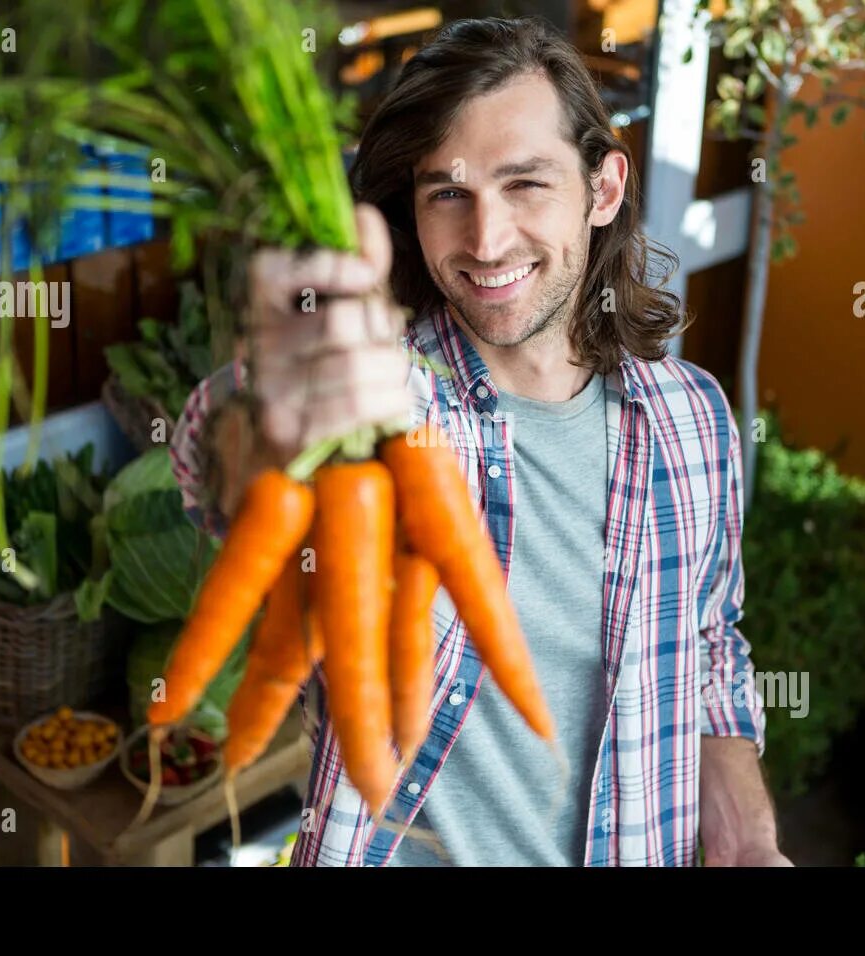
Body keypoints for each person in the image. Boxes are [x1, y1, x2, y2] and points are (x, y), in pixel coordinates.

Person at [169, 15, 789, 867]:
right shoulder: (393, 404)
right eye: (447, 194)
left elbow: (710, 648)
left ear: (603, 189)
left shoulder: (692, 420)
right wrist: (278, 401)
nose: (486, 241)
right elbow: (217, 462)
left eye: (525, 184)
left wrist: (751, 840)